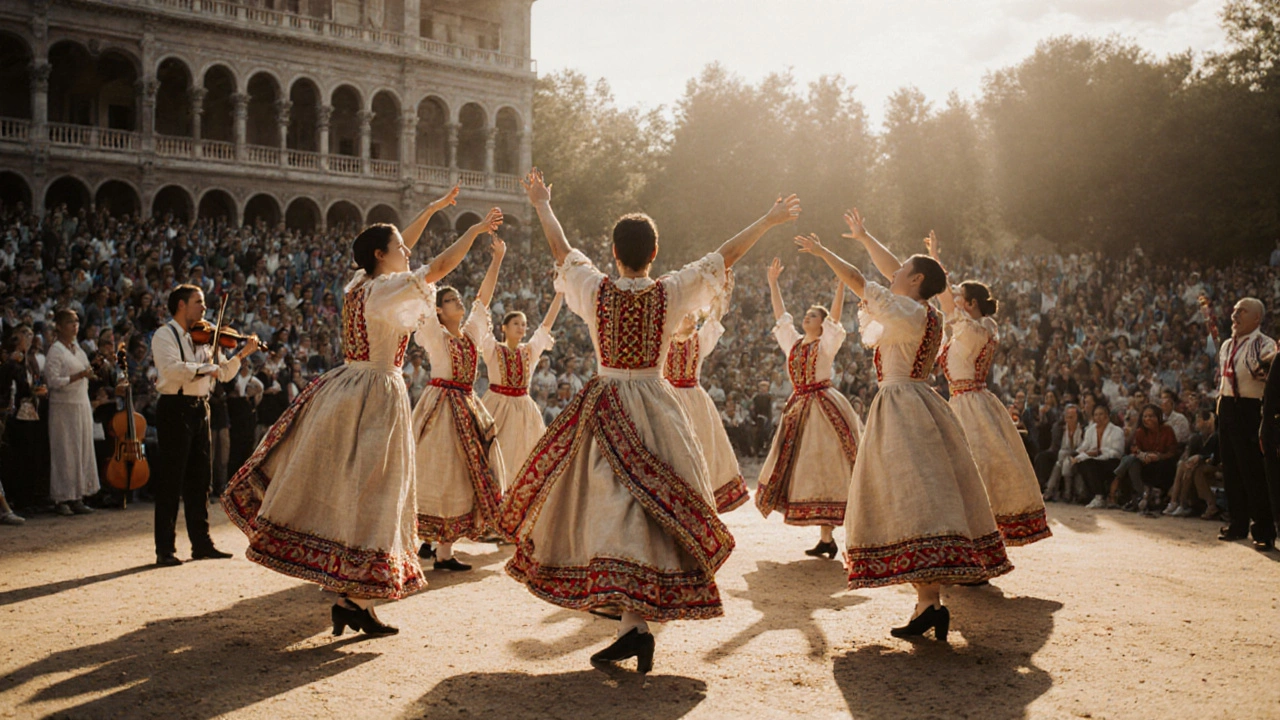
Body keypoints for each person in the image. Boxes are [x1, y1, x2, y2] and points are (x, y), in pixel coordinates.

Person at [500, 168, 800, 672]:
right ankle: (633, 621)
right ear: (653, 255)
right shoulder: (670, 291)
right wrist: (768, 220)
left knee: (607, 501)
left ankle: (629, 617)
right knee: (649, 506)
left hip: (608, 398)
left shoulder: (595, 290)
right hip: (657, 403)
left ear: (614, 253)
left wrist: (541, 204)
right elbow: (724, 256)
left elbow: (561, 250)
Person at [223, 188, 492, 636]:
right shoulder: (385, 289)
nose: (407, 251)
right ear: (381, 255)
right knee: (379, 490)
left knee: (359, 487)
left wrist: (429, 211)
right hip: (376, 389)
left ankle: (354, 597)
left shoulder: (359, 282)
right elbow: (439, 268)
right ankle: (354, 596)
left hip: (350, 383)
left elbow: (392, 242)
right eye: (400, 249)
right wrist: (473, 231)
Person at [794, 212, 1010, 643]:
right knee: (923, 494)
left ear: (914, 282)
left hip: (900, 404)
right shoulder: (924, 311)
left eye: (902, 274)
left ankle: (928, 601)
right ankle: (927, 602)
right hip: (918, 400)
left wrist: (822, 252)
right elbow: (896, 270)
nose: (893, 275)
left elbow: (859, 277)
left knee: (908, 495)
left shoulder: (908, 311)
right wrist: (865, 236)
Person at [927, 235, 1049, 546]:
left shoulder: (976, 329)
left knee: (976, 471)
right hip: (963, 401)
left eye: (960, 296)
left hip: (970, 404)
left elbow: (945, 301)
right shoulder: (970, 329)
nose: (954, 298)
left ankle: (978, 539)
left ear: (971, 304)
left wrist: (936, 259)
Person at [413, 229, 509, 569]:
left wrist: (496, 260)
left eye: (457, 301)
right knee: (435, 471)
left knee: (459, 475)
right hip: (439, 407)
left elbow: (483, 301)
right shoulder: (435, 335)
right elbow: (423, 301)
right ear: (439, 311)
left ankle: (444, 552)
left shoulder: (469, 337)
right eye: (451, 302)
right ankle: (424, 542)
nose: (460, 304)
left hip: (465, 406)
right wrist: (431, 285)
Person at [755, 262, 862, 556]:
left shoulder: (826, 344)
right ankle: (826, 539)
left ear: (821, 323)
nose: (807, 317)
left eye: (813, 315)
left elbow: (836, 316)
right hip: (800, 406)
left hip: (823, 407)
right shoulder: (795, 344)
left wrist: (841, 284)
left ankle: (830, 536)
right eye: (807, 314)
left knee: (826, 467)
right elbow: (782, 318)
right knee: (808, 470)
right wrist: (773, 283)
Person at [151, 285, 260, 566]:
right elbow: (172, 370)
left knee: (201, 480)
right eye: (198, 302)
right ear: (180, 305)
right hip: (174, 407)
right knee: (171, 480)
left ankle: (202, 543)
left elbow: (222, 374)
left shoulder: (206, 336)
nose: (204, 308)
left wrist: (241, 355)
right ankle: (165, 548)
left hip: (200, 406)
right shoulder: (165, 334)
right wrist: (205, 368)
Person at [664, 274, 750, 514]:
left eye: (692, 315)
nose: (691, 318)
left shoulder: (699, 341)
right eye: (686, 315)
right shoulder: (664, 340)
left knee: (702, 451)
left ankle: (700, 505)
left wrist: (724, 292)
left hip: (694, 400)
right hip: (668, 399)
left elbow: (714, 318)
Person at [1210, 298, 1276, 551]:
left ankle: (1263, 529)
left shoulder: (1264, 344)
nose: (1235, 315)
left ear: (1256, 318)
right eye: (1235, 310)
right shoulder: (1227, 344)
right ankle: (1237, 523)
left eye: (1242, 311)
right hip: (1227, 406)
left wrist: (1263, 365)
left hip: (1250, 408)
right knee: (1232, 469)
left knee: (1253, 472)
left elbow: (1265, 375)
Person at [479, 292, 564, 484]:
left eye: (524, 324)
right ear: (504, 328)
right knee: (493, 456)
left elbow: (546, 326)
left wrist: (559, 294)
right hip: (497, 406)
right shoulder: (493, 349)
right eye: (516, 323)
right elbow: (481, 319)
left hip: (523, 409)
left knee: (523, 459)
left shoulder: (529, 351)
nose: (521, 327)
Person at [44, 309, 100, 516]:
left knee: (81, 450)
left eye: (76, 322)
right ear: (59, 326)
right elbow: (53, 381)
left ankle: (78, 496)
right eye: (70, 322)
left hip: (81, 404)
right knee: (65, 451)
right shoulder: (56, 351)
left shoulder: (78, 349)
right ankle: (62, 498)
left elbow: (87, 370)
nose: (74, 326)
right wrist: (78, 376)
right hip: (63, 407)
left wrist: (93, 371)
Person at [1165, 410, 1221, 518]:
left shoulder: (1216, 436)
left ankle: (1182, 503)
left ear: (1209, 421)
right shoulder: (1198, 438)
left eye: (1199, 420)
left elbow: (1214, 456)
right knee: (1185, 466)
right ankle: (1177, 503)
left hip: (1218, 466)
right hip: (1205, 464)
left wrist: (1199, 458)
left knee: (1194, 469)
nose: (1197, 424)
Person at [1077, 403, 1127, 509]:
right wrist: (1079, 454)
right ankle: (1094, 495)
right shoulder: (1090, 430)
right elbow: (1084, 446)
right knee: (1081, 462)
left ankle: (1100, 496)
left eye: (1101, 414)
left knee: (1090, 463)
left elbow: (1117, 452)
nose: (1098, 417)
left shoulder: (1117, 431)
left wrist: (1099, 452)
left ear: (1107, 416)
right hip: (1094, 460)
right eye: (1096, 415)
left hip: (1111, 462)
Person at [1042, 404, 1085, 503]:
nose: (1069, 420)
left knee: (1062, 461)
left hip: (1079, 456)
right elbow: (1059, 447)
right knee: (1062, 462)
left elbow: (1083, 447)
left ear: (1077, 417)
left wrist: (1071, 454)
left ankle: (1051, 491)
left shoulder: (1082, 429)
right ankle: (1066, 493)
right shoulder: (1062, 429)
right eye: (1067, 417)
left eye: (1072, 417)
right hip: (1065, 458)